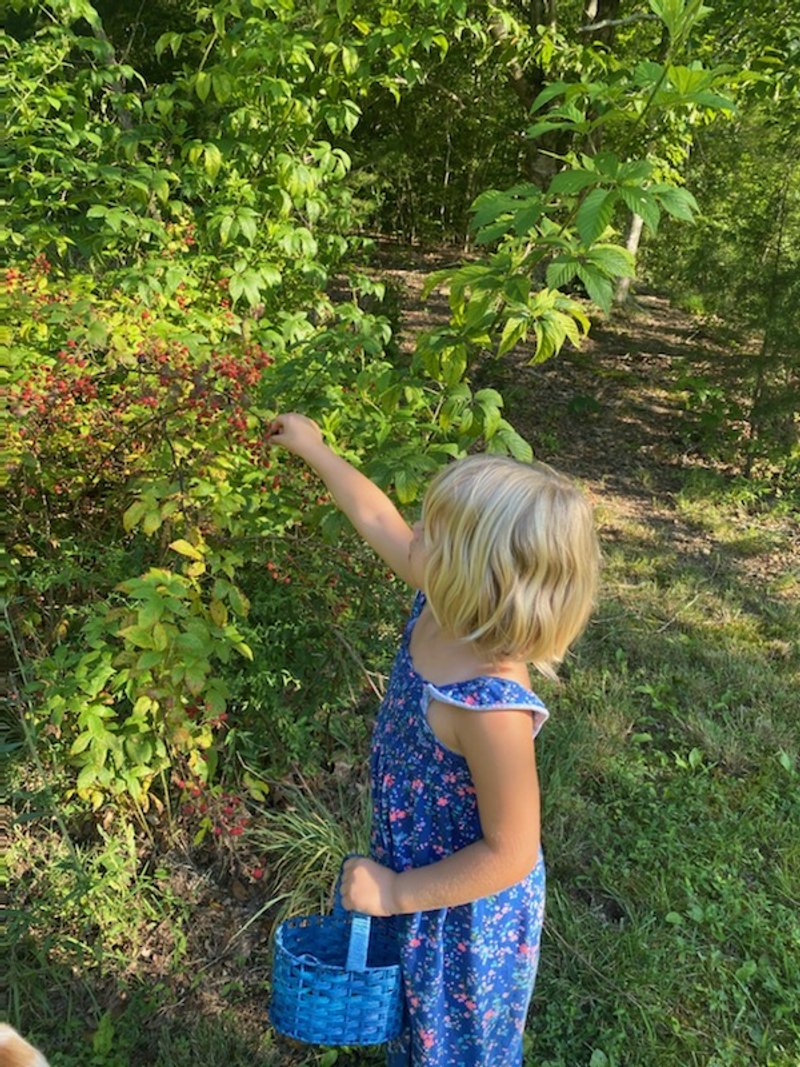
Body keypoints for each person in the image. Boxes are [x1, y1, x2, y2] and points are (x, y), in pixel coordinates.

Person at [268, 412, 600, 1066]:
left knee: (452, 1044)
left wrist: (395, 893)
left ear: (481, 578)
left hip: (466, 916)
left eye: (437, 536)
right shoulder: (444, 604)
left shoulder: (489, 704)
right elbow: (379, 522)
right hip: (420, 875)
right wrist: (319, 450)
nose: (416, 537)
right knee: (412, 1025)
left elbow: (510, 850)